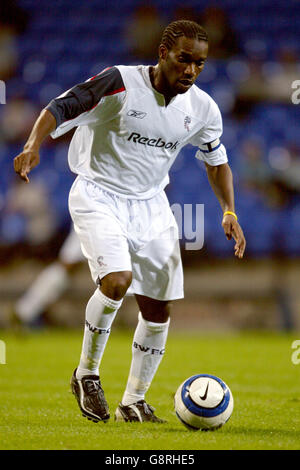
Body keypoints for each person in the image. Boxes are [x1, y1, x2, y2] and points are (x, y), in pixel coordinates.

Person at [14, 20, 246, 424]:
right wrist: (34, 143)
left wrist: (229, 210)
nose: (190, 71)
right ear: (163, 54)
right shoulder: (119, 82)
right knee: (117, 281)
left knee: (158, 307)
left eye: (199, 64)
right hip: (98, 193)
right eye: (183, 60)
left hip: (152, 205)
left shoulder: (202, 109)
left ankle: (133, 401)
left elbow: (216, 159)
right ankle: (86, 374)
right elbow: (61, 105)